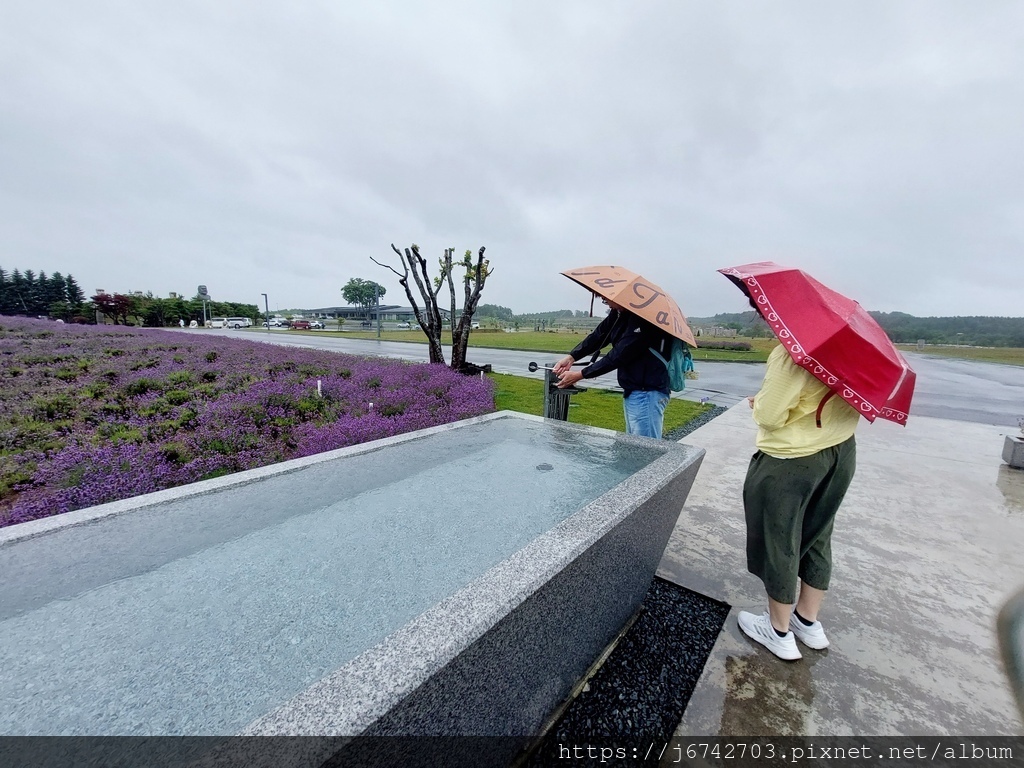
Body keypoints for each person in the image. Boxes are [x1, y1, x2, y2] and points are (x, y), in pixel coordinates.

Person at [737, 326, 861, 661]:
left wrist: (758, 402)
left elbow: (770, 415)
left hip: (792, 459)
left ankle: (777, 631)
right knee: (818, 533)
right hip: (840, 451)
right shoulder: (853, 350)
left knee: (779, 538)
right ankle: (808, 620)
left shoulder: (791, 352)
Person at [552, 296, 673, 439]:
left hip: (647, 393)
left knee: (646, 450)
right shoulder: (619, 313)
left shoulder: (643, 319)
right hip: (635, 390)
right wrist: (572, 357)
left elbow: (619, 354)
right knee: (635, 446)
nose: (607, 305)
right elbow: (600, 335)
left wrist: (581, 374)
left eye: (606, 300)